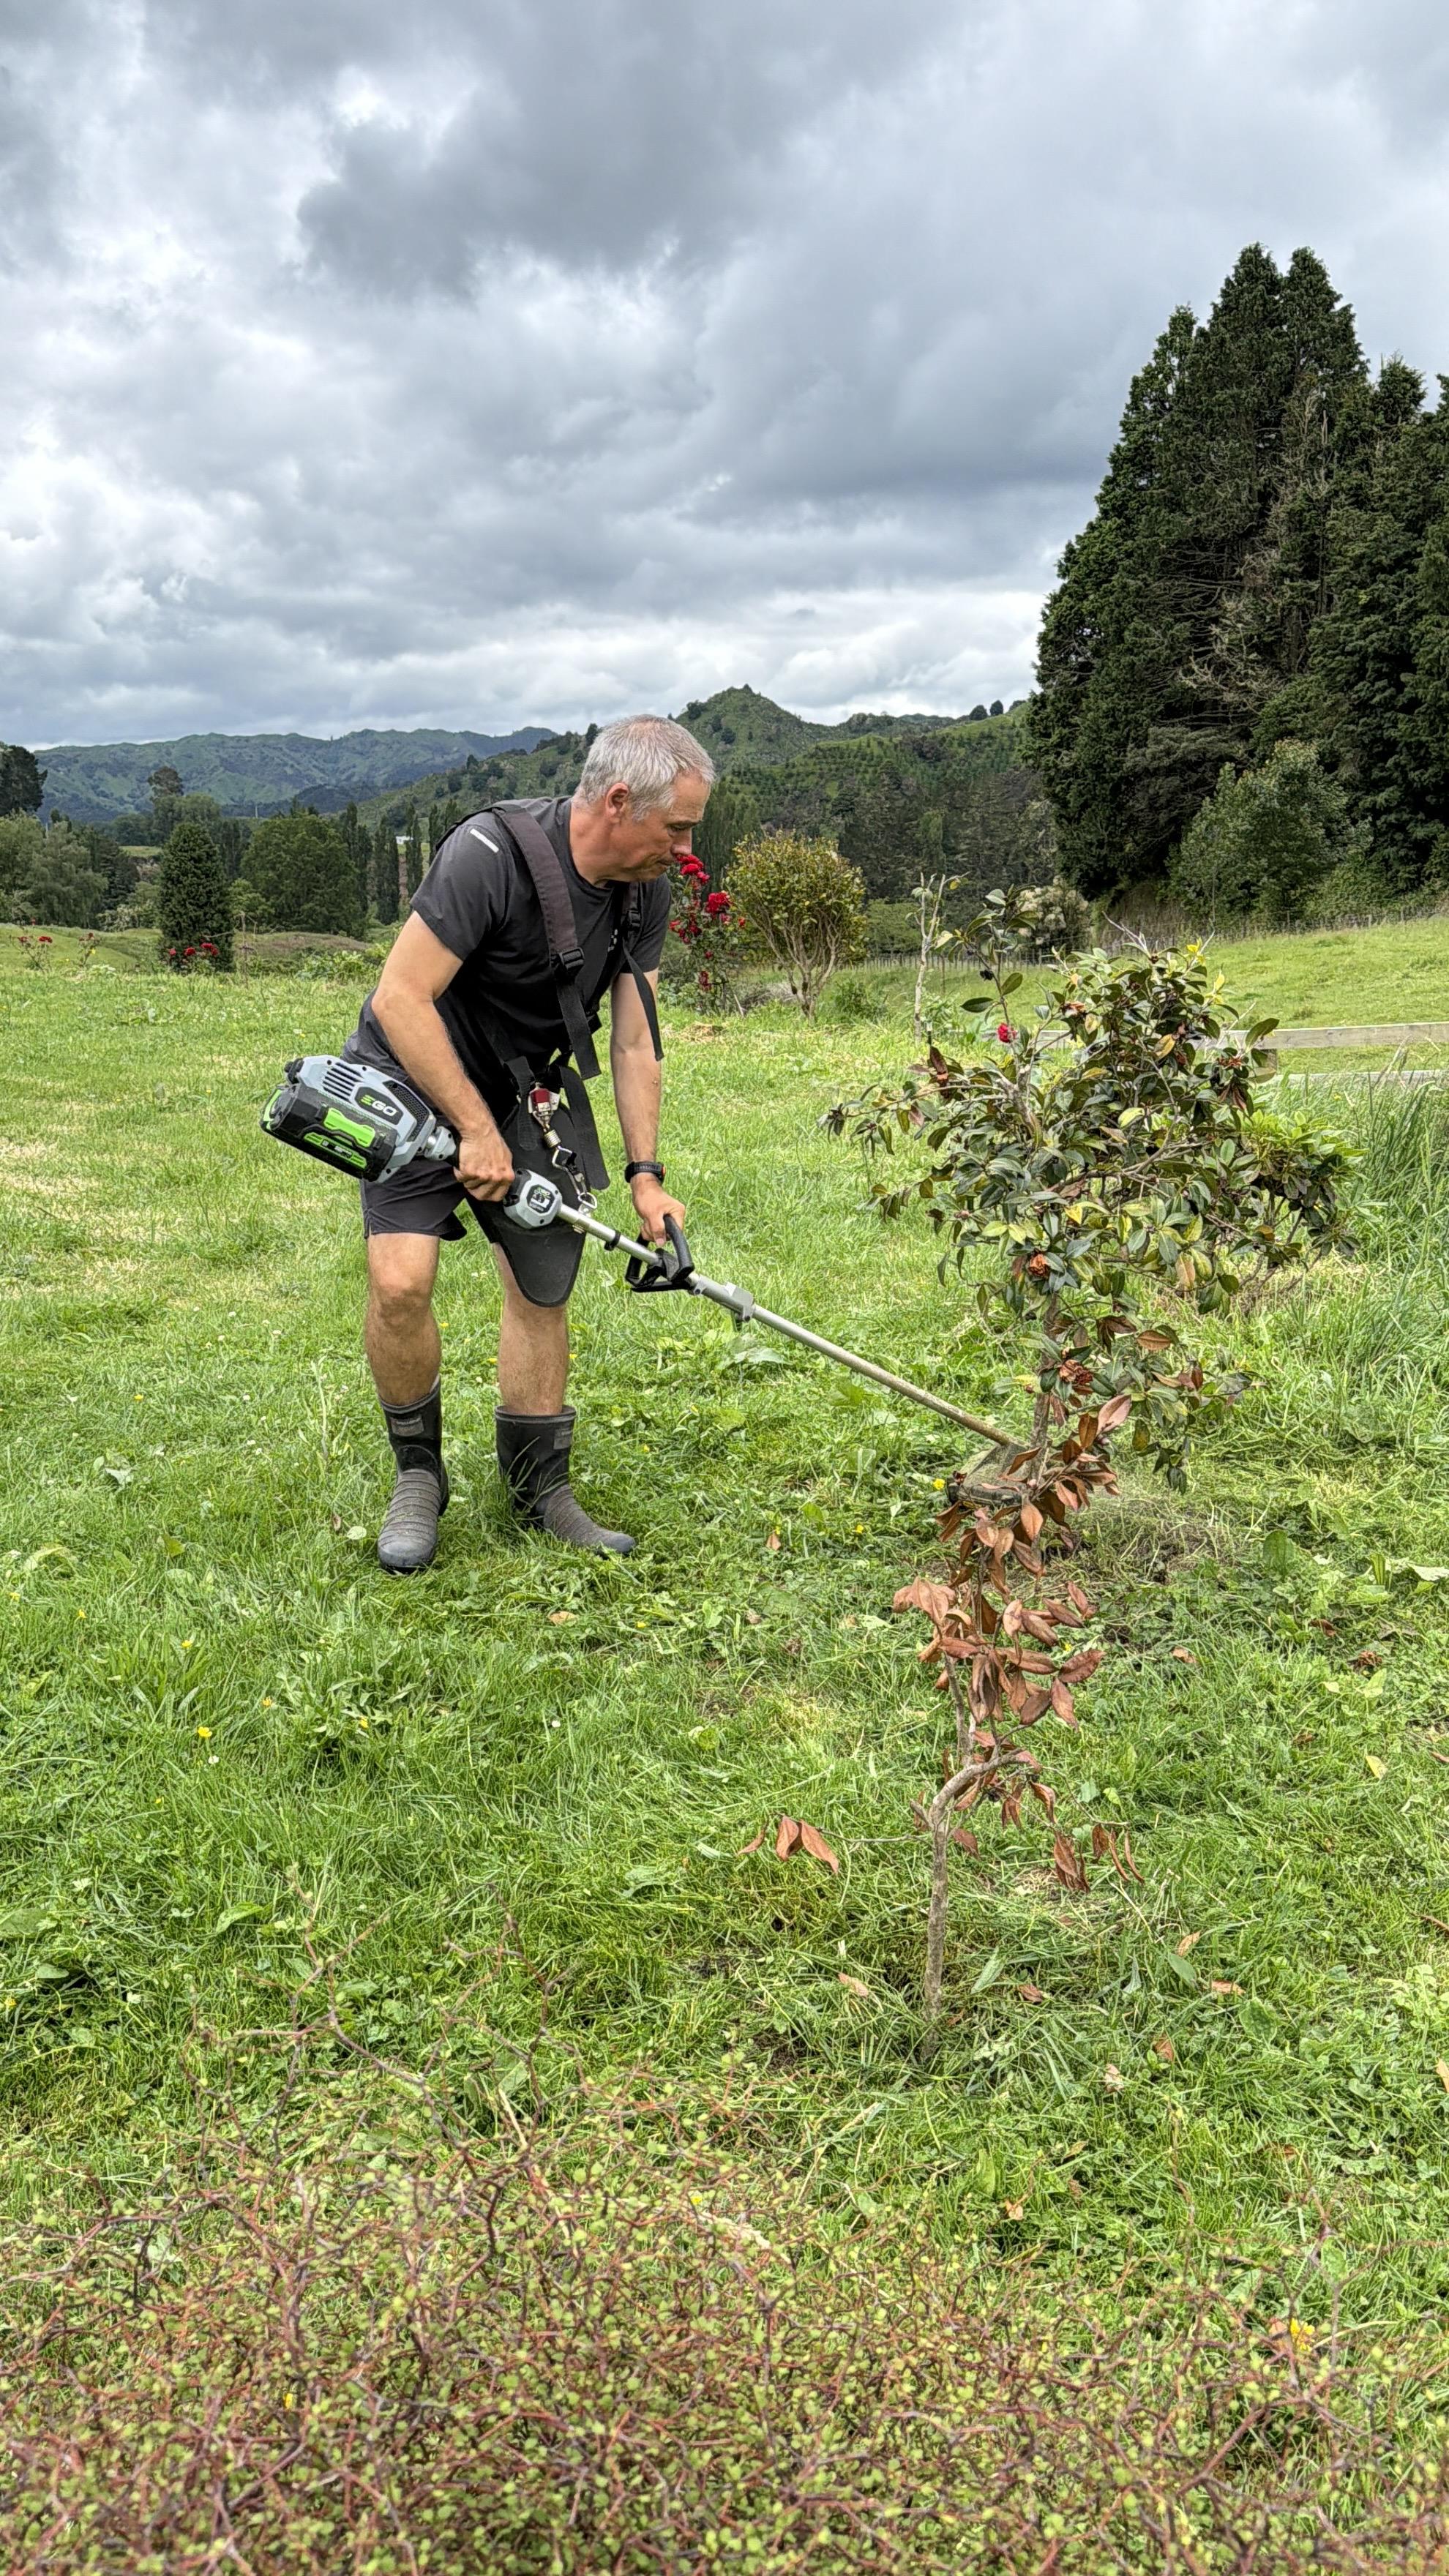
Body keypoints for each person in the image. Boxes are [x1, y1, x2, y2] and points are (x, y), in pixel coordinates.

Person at [345, 714, 714, 1573]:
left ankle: (539, 1490)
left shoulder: (643, 888)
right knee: (400, 1283)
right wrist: (471, 1129)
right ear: (620, 801)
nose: (687, 846)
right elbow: (401, 997)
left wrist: (648, 1178)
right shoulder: (488, 855)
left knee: (542, 1283)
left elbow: (631, 1040)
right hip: (411, 1067)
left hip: (526, 1085)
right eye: (679, 826)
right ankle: (418, 1477)